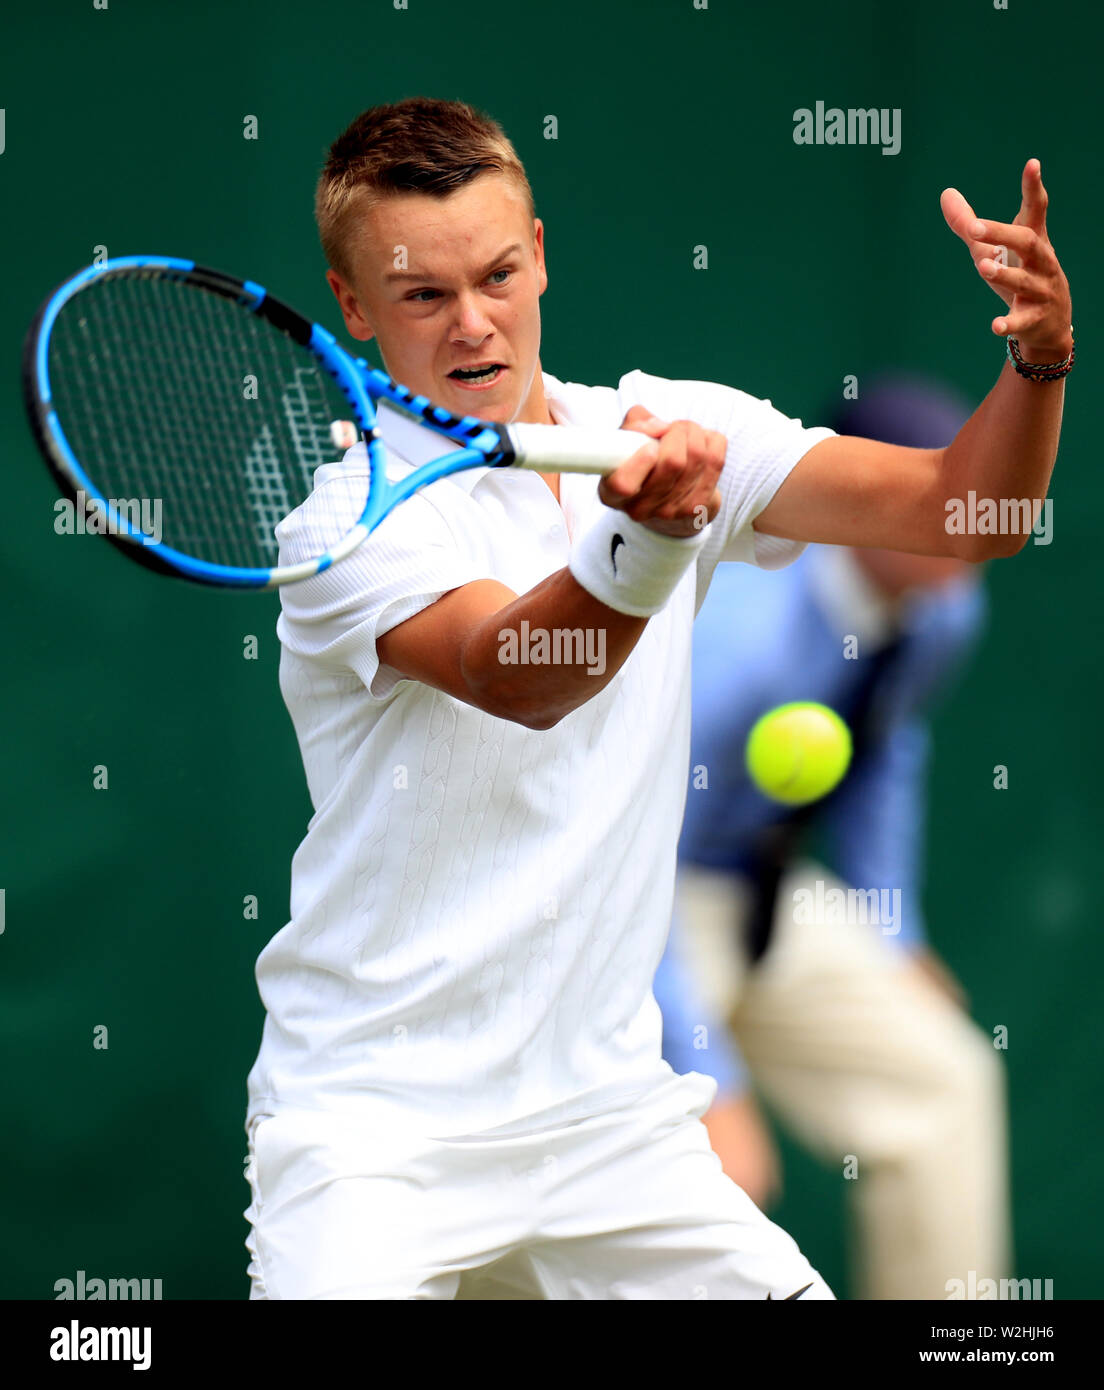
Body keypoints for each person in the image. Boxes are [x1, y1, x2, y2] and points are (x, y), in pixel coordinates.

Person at [241, 97, 1072, 1299]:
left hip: (608, 1126)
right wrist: (647, 545)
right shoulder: (341, 521)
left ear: (541, 252)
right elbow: (516, 677)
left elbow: (964, 509)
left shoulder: (688, 428)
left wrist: (1038, 360)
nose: (474, 323)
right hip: (376, 1129)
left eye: (500, 273)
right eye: (424, 296)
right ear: (355, 305)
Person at [654, 377, 1013, 1300]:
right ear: (865, 510)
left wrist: (895, 933)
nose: (964, 529)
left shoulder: (947, 610)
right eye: (937, 501)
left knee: (946, 1077)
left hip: (762, 892)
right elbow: (631, 860)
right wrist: (712, 1083)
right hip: (633, 905)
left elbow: (886, 747)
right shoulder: (744, 643)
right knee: (711, 1181)